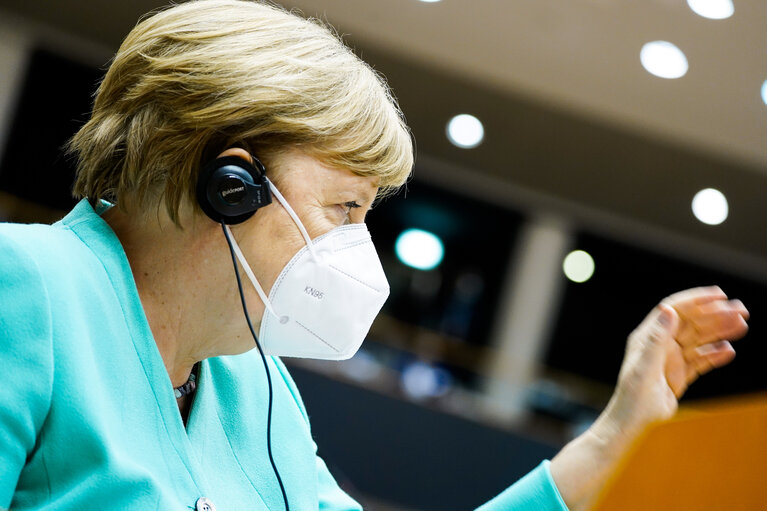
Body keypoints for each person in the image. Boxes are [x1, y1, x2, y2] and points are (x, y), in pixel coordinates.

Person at [0, 1, 750, 510]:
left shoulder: (255, 388)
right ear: (227, 184)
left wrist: (617, 435)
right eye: (343, 208)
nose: (353, 246)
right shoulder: (27, 287)